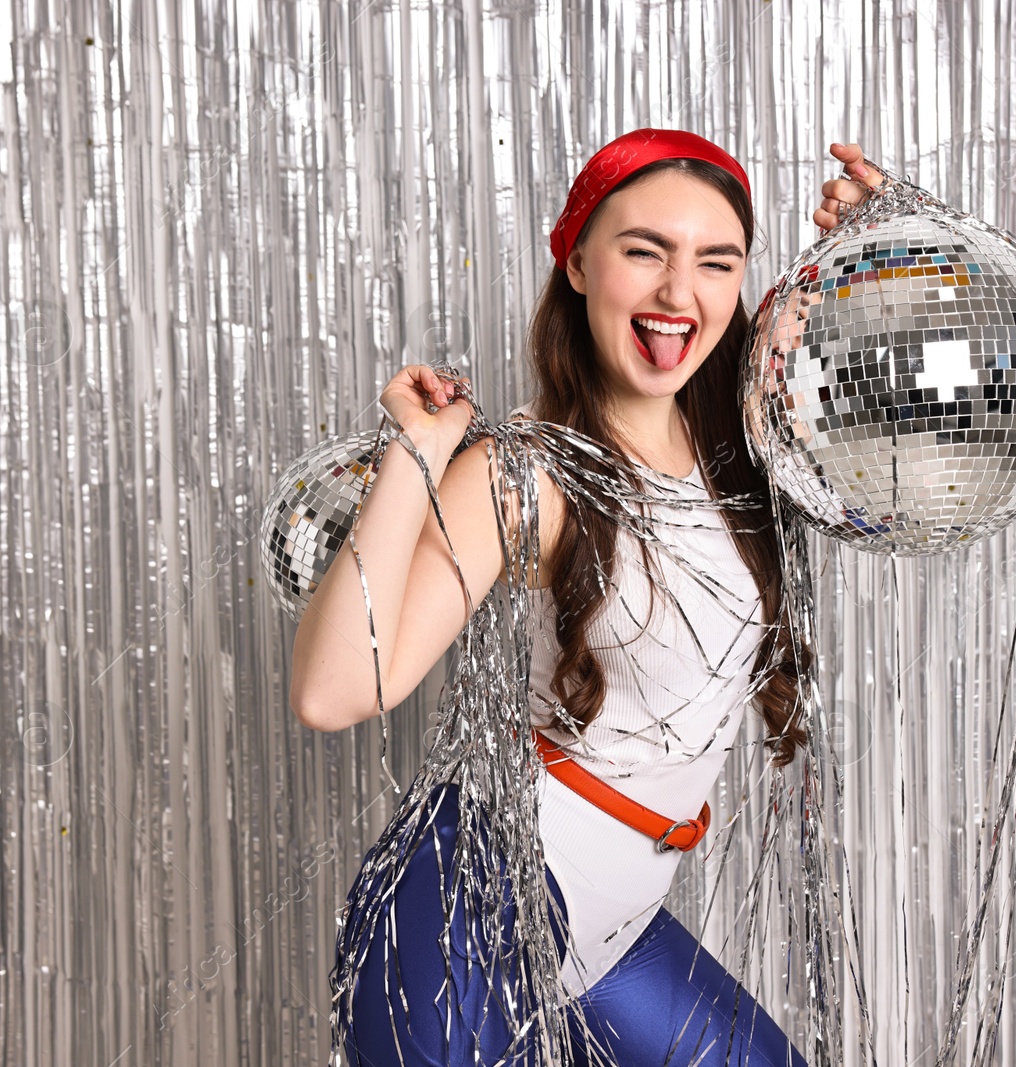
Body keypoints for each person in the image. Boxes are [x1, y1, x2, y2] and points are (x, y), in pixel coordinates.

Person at [290, 130, 883, 1066]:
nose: (677, 294)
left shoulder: (755, 444)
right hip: (463, 916)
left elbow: (929, 432)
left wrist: (874, 246)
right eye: (643, 251)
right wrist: (418, 449)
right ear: (576, 261)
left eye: (715, 262)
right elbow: (332, 692)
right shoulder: (528, 475)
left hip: (615, 923)